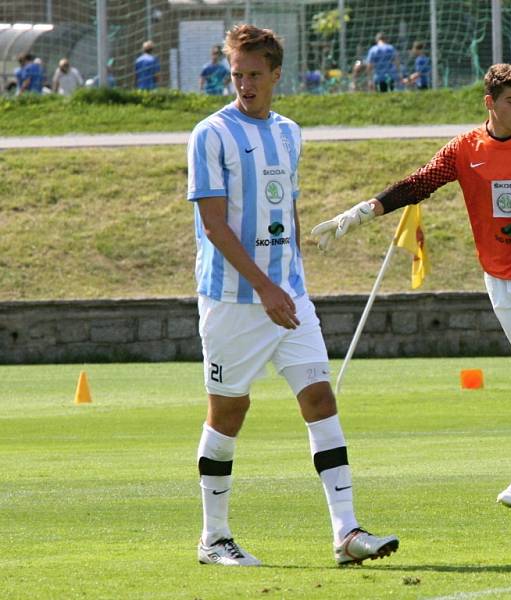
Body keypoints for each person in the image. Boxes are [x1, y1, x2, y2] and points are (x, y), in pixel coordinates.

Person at [311, 63, 511, 511]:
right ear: (489, 103)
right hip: (498, 275)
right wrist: (362, 212)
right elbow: (420, 182)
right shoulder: (464, 150)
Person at [186, 23, 399, 567]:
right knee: (229, 414)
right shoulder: (210, 134)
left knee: (320, 399)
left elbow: (289, 208)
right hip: (235, 300)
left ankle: (347, 533)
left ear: (276, 74)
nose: (245, 84)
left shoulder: (289, 132)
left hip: (290, 297)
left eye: (255, 75)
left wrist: (294, 279)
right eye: (237, 75)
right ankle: (213, 539)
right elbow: (213, 224)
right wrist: (264, 288)